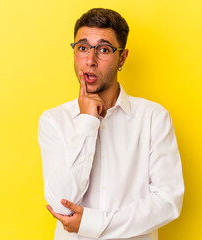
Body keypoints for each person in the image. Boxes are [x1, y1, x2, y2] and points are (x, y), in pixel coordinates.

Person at [38, 8, 184, 240]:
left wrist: (93, 224)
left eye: (103, 49)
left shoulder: (153, 117)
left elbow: (168, 202)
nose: (90, 61)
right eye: (82, 48)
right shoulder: (54, 121)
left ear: (122, 58)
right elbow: (61, 205)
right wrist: (87, 122)